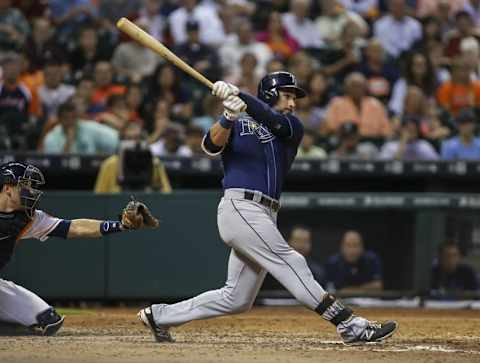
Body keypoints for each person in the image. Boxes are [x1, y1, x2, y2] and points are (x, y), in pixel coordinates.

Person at [137, 71, 397, 345]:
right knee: (291, 261)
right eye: (287, 95)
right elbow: (210, 146)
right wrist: (227, 116)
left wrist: (240, 94)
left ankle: (160, 316)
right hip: (240, 207)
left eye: (294, 97)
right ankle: (348, 324)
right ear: (271, 94)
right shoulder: (237, 120)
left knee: (236, 298)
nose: (293, 102)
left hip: (265, 213)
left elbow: (272, 120)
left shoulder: (291, 126)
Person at [0, 161, 158, 335]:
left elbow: (74, 228)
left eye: (31, 186)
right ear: (8, 188)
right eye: (25, 186)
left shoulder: (27, 219)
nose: (31, 191)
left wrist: (121, 225)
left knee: (46, 320)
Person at [94, 123, 172, 193]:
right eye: (129, 139)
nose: (133, 143)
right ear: (121, 141)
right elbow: (100, 197)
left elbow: (166, 193)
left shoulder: (155, 163)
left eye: (136, 138)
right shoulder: (110, 164)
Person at [325, 72, 392, 138]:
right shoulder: (337, 103)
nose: (357, 89)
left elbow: (386, 130)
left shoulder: (375, 104)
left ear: (365, 88)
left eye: (360, 86)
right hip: (343, 141)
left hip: (372, 142)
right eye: (354, 85)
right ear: (346, 87)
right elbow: (330, 127)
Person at [42, 100, 119, 154]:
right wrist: (69, 142)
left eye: (73, 117)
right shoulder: (51, 137)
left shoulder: (88, 127)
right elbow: (55, 164)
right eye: (66, 118)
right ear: (59, 119)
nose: (70, 122)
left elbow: (114, 139)